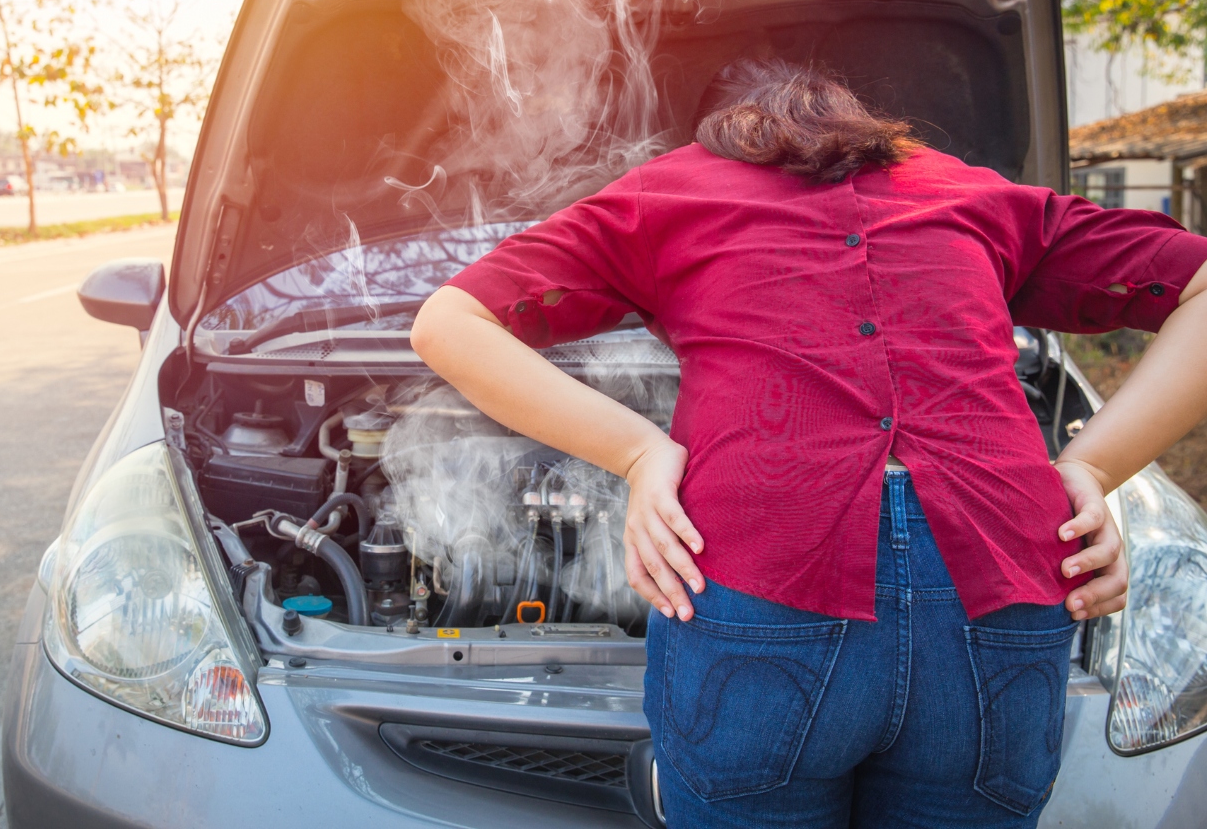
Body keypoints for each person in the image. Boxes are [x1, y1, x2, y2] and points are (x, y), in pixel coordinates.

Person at [410, 58, 1207, 826]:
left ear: (719, 134)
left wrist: (639, 452)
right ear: (860, 124)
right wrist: (1092, 465)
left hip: (766, 580)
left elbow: (446, 323)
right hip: (1006, 591)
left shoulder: (668, 186)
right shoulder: (969, 188)